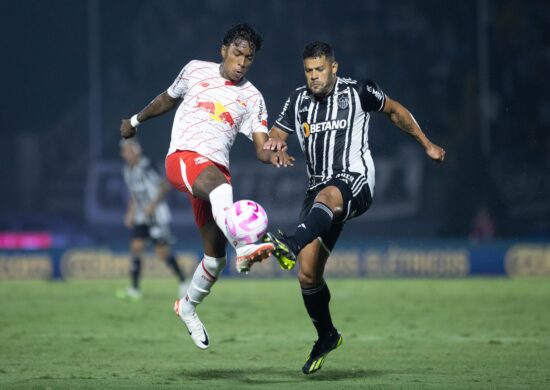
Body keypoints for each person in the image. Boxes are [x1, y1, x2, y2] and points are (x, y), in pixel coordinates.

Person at [263, 41, 446, 374]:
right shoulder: (297, 99)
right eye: (308, 70)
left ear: (334, 67)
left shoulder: (360, 91)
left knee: (326, 199)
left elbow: (395, 111)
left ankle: (289, 241)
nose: (314, 76)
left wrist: (427, 144)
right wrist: (274, 144)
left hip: (355, 180)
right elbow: (276, 132)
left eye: (320, 69)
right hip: (317, 188)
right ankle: (327, 335)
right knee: (307, 274)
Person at [120, 24, 287, 350]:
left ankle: (188, 307)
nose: (242, 62)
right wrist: (136, 121)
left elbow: (261, 147)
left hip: (215, 177)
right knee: (219, 189)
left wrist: (273, 152)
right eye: (237, 53)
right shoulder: (196, 70)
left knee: (214, 260)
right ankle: (245, 245)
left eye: (249, 59)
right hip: (184, 158)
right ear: (224, 49)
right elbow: (167, 100)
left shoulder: (252, 97)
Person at [118, 138, 188, 300]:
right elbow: (134, 194)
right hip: (141, 216)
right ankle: (134, 289)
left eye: (128, 151)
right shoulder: (127, 171)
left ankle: (183, 281)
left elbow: (164, 186)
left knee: (162, 252)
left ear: (136, 151)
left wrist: (152, 206)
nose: (125, 154)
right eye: (124, 152)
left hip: (157, 215)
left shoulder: (147, 166)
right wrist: (130, 212)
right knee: (136, 246)